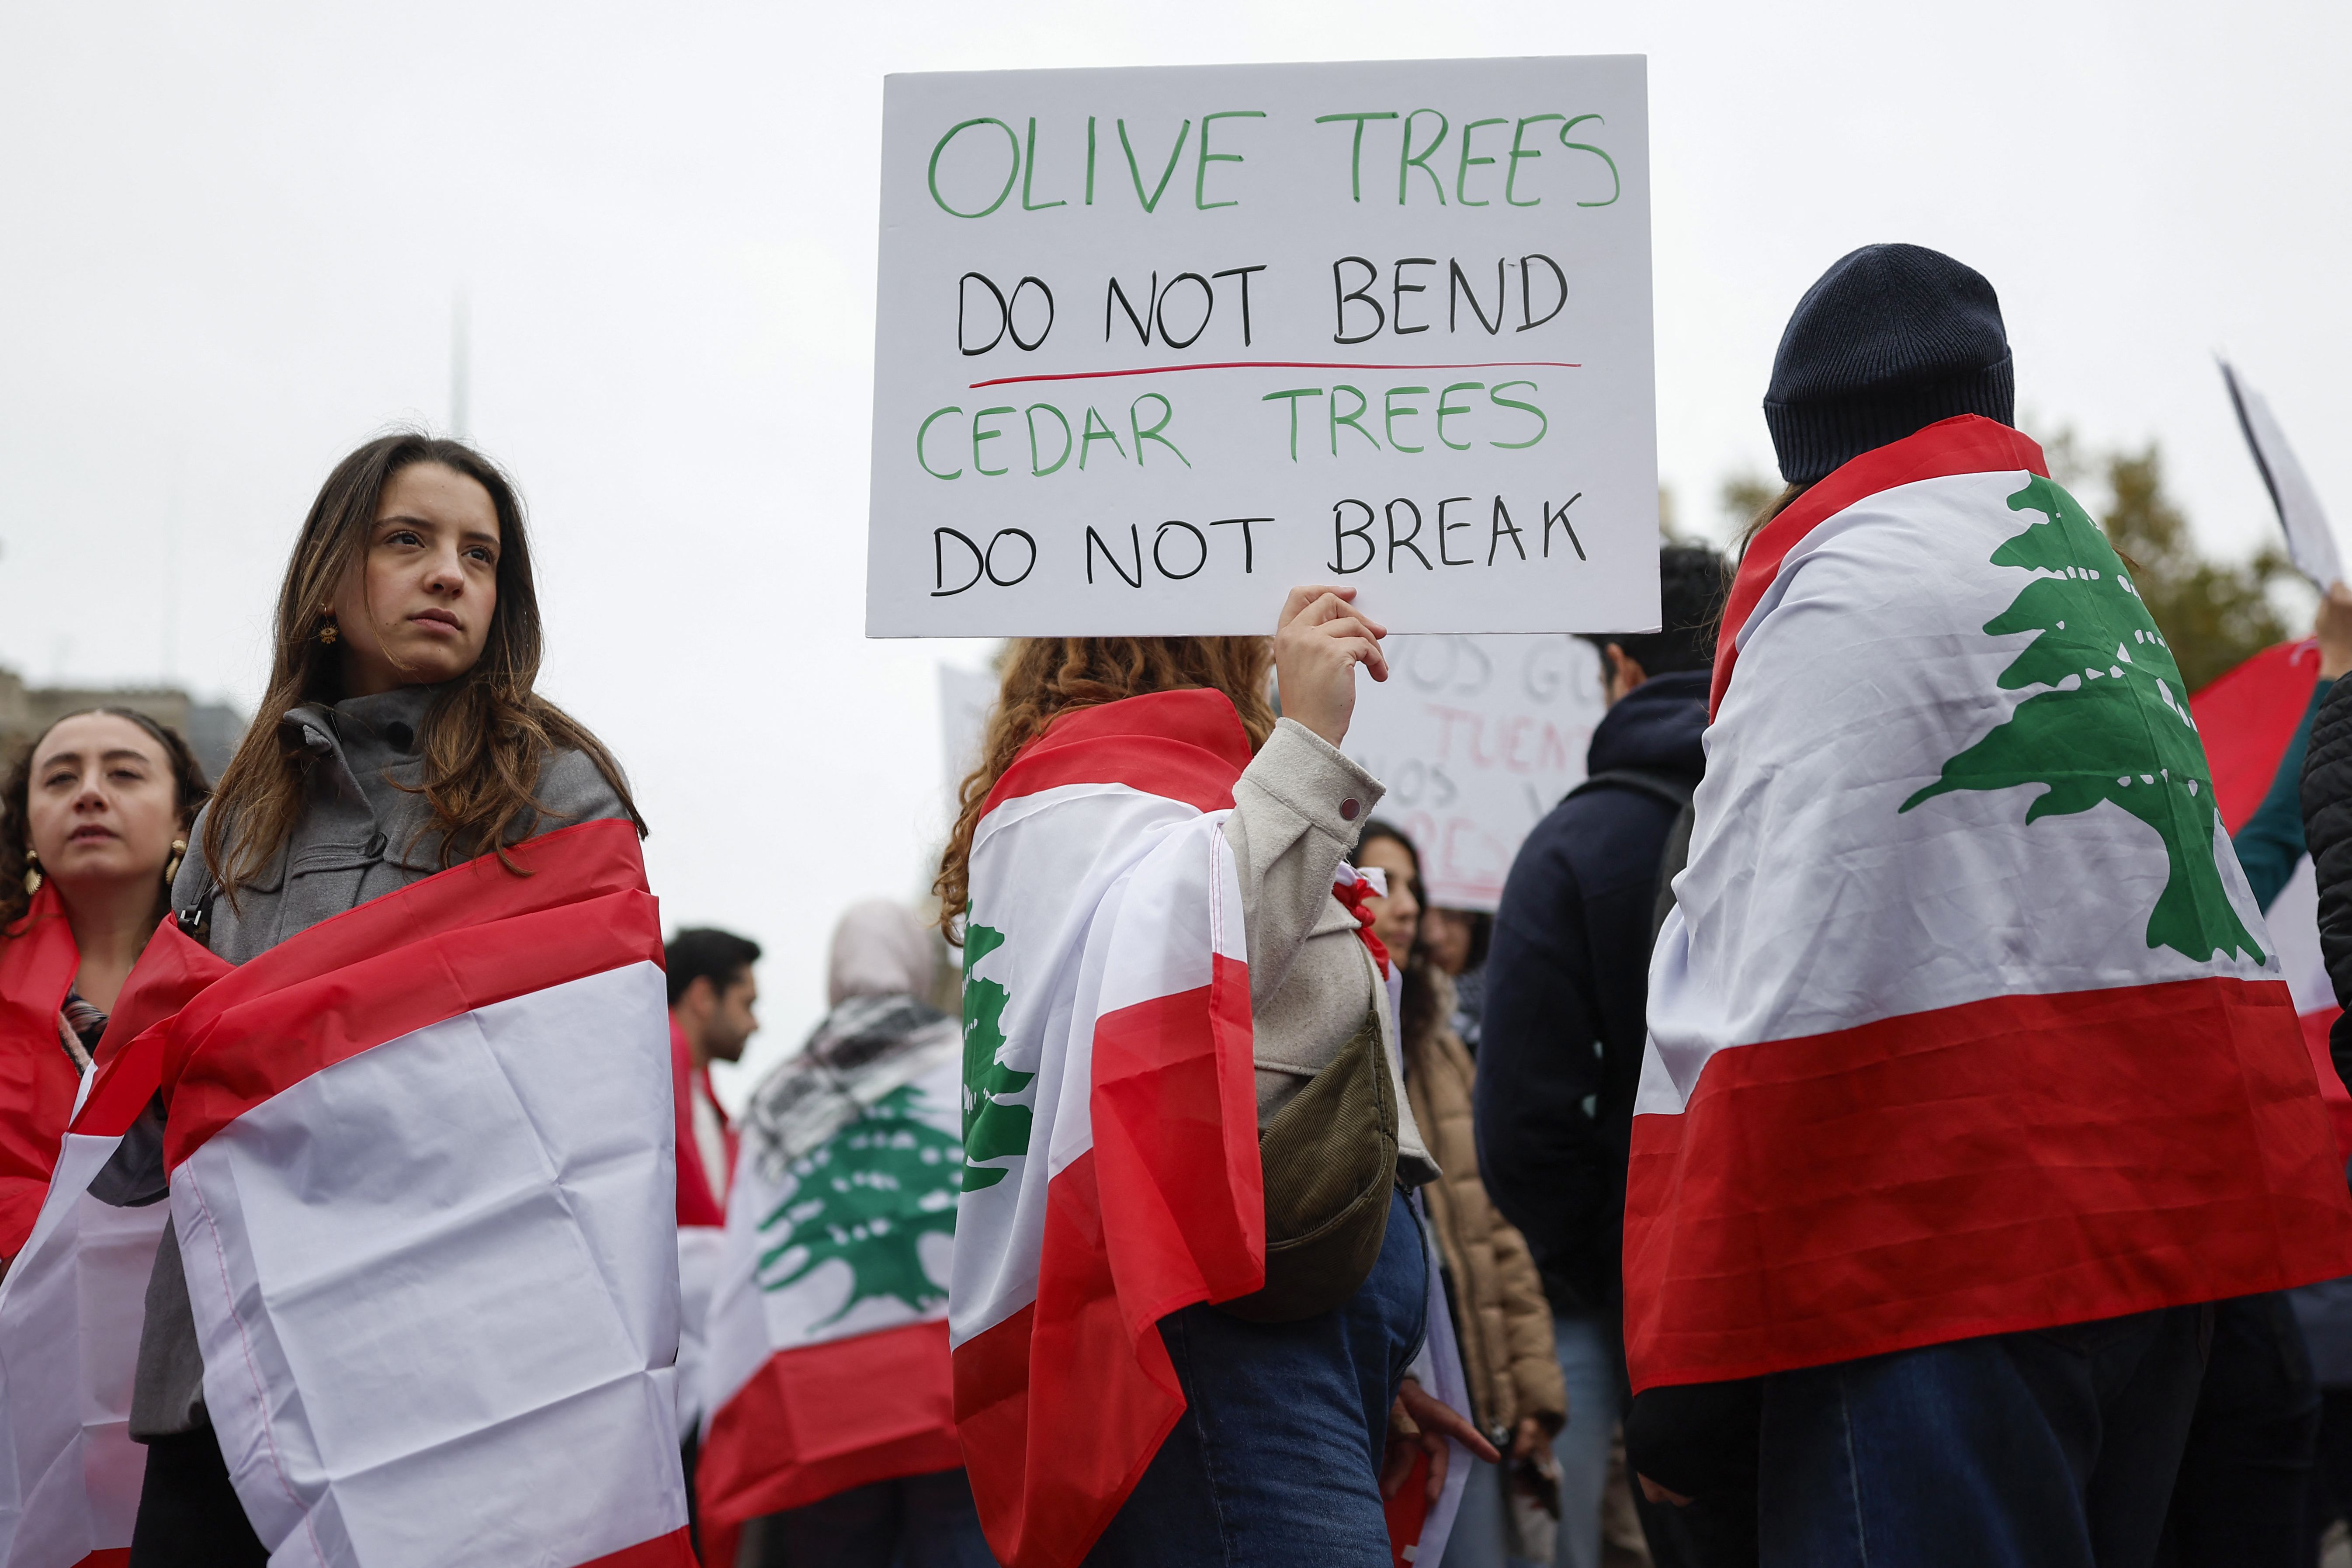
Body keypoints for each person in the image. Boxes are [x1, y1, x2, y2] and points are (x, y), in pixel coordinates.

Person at [1623, 244, 2352, 1568]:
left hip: (1922, 1256)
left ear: (1808, 443)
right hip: (2144, 1259)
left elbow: (1771, 968)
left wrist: (1687, 1393)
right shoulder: (2082, 572)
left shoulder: (1841, 587)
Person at [103, 432, 650, 1561]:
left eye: (480, 554)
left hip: (442, 1366)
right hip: (228, 1356)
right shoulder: (232, 817)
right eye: (408, 540)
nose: (449, 572)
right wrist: (129, 1067)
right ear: (327, 581)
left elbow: (586, 1091)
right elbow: (171, 1134)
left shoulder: (556, 792)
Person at [934, 604, 1496, 1568]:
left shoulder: (1207, 790)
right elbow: (1188, 974)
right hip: (1238, 1324)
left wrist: (1377, 1342)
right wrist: (1310, 742)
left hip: (1305, 1327)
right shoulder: (1083, 795)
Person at [1474, 545, 1735, 1568]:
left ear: (1619, 667)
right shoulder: (1830, 789)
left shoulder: (1568, 848)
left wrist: (1624, 1277)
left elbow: (1520, 1133)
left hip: (1677, 1333)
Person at [696, 899, 992, 1568]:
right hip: (956, 1387)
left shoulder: (780, 1096)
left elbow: (750, 1256)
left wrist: (730, 1394)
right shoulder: (971, 1067)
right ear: (919, 968)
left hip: (826, 1402)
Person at [2157, 587, 2352, 1565]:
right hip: (2244, 1332)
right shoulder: (2180, 918)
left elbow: (2273, 845)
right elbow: (2273, 845)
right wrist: (2335, 680)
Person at [1357, 820, 1567, 1568]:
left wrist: (1532, 1394)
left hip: (1471, 1393)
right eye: (1386, 883)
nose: (1408, 905)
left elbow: (1495, 1226)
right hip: (1391, 1405)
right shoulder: (1338, 1041)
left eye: (1414, 884)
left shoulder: (1443, 1051)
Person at [0, 710, 210, 1270]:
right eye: (61, 779)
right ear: (25, 827)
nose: (90, 794)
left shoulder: (242, 965)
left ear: (184, 821)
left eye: (124, 775)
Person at [667, 927, 759, 1225]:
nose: (755, 1024)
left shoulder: (702, 1101)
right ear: (704, 997)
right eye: (747, 1004)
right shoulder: (646, 1078)